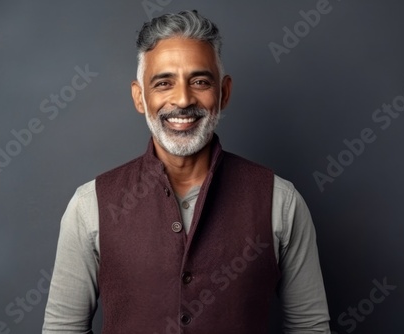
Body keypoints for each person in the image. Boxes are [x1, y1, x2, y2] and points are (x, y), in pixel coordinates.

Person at [42, 10, 331, 334]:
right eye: (164, 83)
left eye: (200, 81)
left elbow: (311, 328)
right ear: (140, 97)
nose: (182, 99)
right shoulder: (89, 206)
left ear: (223, 92)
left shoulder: (281, 201)